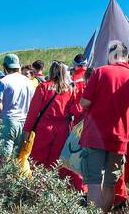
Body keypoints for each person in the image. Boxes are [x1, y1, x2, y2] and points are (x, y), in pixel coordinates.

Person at [78, 41, 129, 212]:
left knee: (93, 182)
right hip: (119, 138)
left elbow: (84, 102)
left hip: (94, 136)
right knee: (109, 184)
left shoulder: (100, 72)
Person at [24, 60, 85, 191]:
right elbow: (76, 111)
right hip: (63, 128)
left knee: (38, 160)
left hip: (44, 127)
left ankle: (38, 189)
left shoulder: (44, 87)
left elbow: (33, 111)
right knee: (58, 161)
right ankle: (56, 190)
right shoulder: (70, 89)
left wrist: (27, 130)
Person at [0, 54, 36, 159]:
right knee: (16, 158)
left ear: (4, 66)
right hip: (24, 122)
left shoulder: (3, 82)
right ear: (19, 66)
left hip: (7, 121)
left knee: (4, 158)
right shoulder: (30, 83)